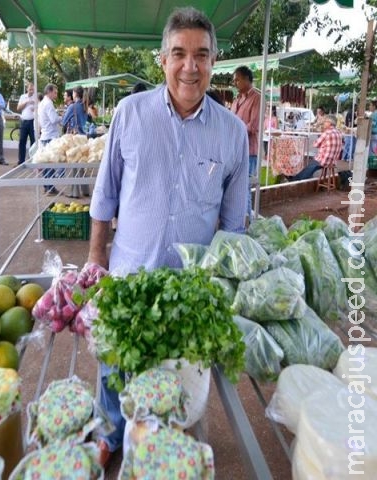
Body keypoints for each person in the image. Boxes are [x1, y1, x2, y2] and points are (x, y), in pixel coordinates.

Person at [87, 7, 248, 466]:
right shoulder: (129, 114)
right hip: (129, 273)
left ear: (213, 61)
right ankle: (112, 433)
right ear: (162, 59)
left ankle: (172, 441)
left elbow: (235, 225)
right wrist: (97, 258)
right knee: (115, 363)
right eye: (179, 53)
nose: (189, 66)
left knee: (180, 380)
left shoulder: (233, 133)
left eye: (201, 55)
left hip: (188, 290)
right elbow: (106, 193)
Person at [290, 114, 343, 181]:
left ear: (329, 123)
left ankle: (297, 179)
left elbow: (315, 144)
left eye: (325, 122)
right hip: (333, 160)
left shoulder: (327, 133)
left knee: (310, 166)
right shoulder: (339, 133)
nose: (323, 123)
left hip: (324, 160)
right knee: (311, 165)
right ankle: (297, 178)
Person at [231, 65, 261, 177]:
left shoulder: (257, 98)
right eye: (234, 81)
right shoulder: (236, 100)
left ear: (247, 79)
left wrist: (234, 133)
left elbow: (253, 126)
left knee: (245, 186)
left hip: (249, 151)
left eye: (237, 80)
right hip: (234, 150)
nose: (234, 83)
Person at [38, 83, 62, 194]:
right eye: (55, 93)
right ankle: (50, 188)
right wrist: (61, 117)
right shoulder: (48, 103)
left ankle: (48, 186)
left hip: (45, 135)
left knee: (46, 163)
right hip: (50, 136)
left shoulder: (42, 103)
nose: (56, 95)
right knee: (50, 163)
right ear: (49, 92)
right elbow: (53, 119)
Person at [16, 82, 36, 165]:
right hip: (24, 121)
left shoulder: (36, 97)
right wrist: (26, 102)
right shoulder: (22, 97)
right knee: (22, 141)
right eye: (30, 89)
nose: (31, 91)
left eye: (33, 89)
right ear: (27, 89)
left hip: (33, 121)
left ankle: (33, 160)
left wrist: (34, 108)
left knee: (33, 141)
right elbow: (18, 108)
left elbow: (39, 108)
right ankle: (21, 160)